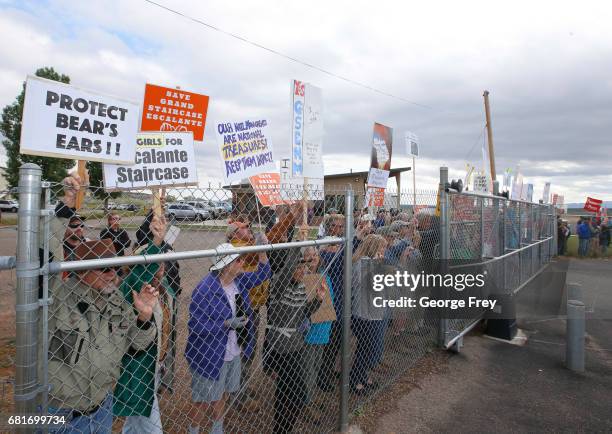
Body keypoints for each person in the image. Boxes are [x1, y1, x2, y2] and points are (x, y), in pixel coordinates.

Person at [44, 174, 162, 434]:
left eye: (115, 268)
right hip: (58, 414)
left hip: (102, 409)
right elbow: (43, 257)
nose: (113, 274)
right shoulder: (58, 296)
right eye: (104, 268)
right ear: (82, 272)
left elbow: (137, 343)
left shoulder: (116, 300)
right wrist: (67, 205)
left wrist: (144, 318)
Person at [186, 242, 271, 434]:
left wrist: (263, 252)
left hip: (232, 350)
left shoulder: (238, 281)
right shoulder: (204, 290)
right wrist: (224, 325)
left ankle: (217, 429)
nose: (243, 262)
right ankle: (193, 430)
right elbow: (195, 326)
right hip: (210, 355)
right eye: (238, 260)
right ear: (226, 265)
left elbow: (264, 274)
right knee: (201, 399)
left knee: (222, 394)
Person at [114, 224, 177, 434]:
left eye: (161, 265)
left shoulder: (160, 290)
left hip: (154, 365)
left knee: (135, 420)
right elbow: (138, 275)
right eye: (154, 265)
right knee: (152, 426)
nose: (160, 270)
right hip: (137, 368)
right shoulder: (130, 290)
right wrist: (157, 242)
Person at [263, 247, 325, 434]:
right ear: (289, 268)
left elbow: (303, 313)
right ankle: (281, 428)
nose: (303, 271)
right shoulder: (279, 284)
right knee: (290, 392)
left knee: (290, 392)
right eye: (299, 268)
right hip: (282, 347)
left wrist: (319, 301)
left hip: (296, 346)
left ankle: (284, 428)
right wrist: (299, 244)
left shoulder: (300, 287)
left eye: (304, 268)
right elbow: (289, 265)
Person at [350, 234, 388, 394]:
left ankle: (361, 375)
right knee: (367, 348)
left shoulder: (372, 262)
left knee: (368, 348)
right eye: (381, 248)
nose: (384, 251)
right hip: (364, 313)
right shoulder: (362, 262)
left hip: (374, 312)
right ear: (374, 248)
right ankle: (355, 380)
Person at [301, 247, 334, 414]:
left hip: (322, 328)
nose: (313, 258)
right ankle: (305, 401)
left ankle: (310, 395)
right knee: (307, 368)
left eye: (315, 255)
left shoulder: (324, 275)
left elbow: (329, 303)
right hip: (309, 332)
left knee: (316, 365)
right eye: (308, 256)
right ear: (303, 259)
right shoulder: (302, 278)